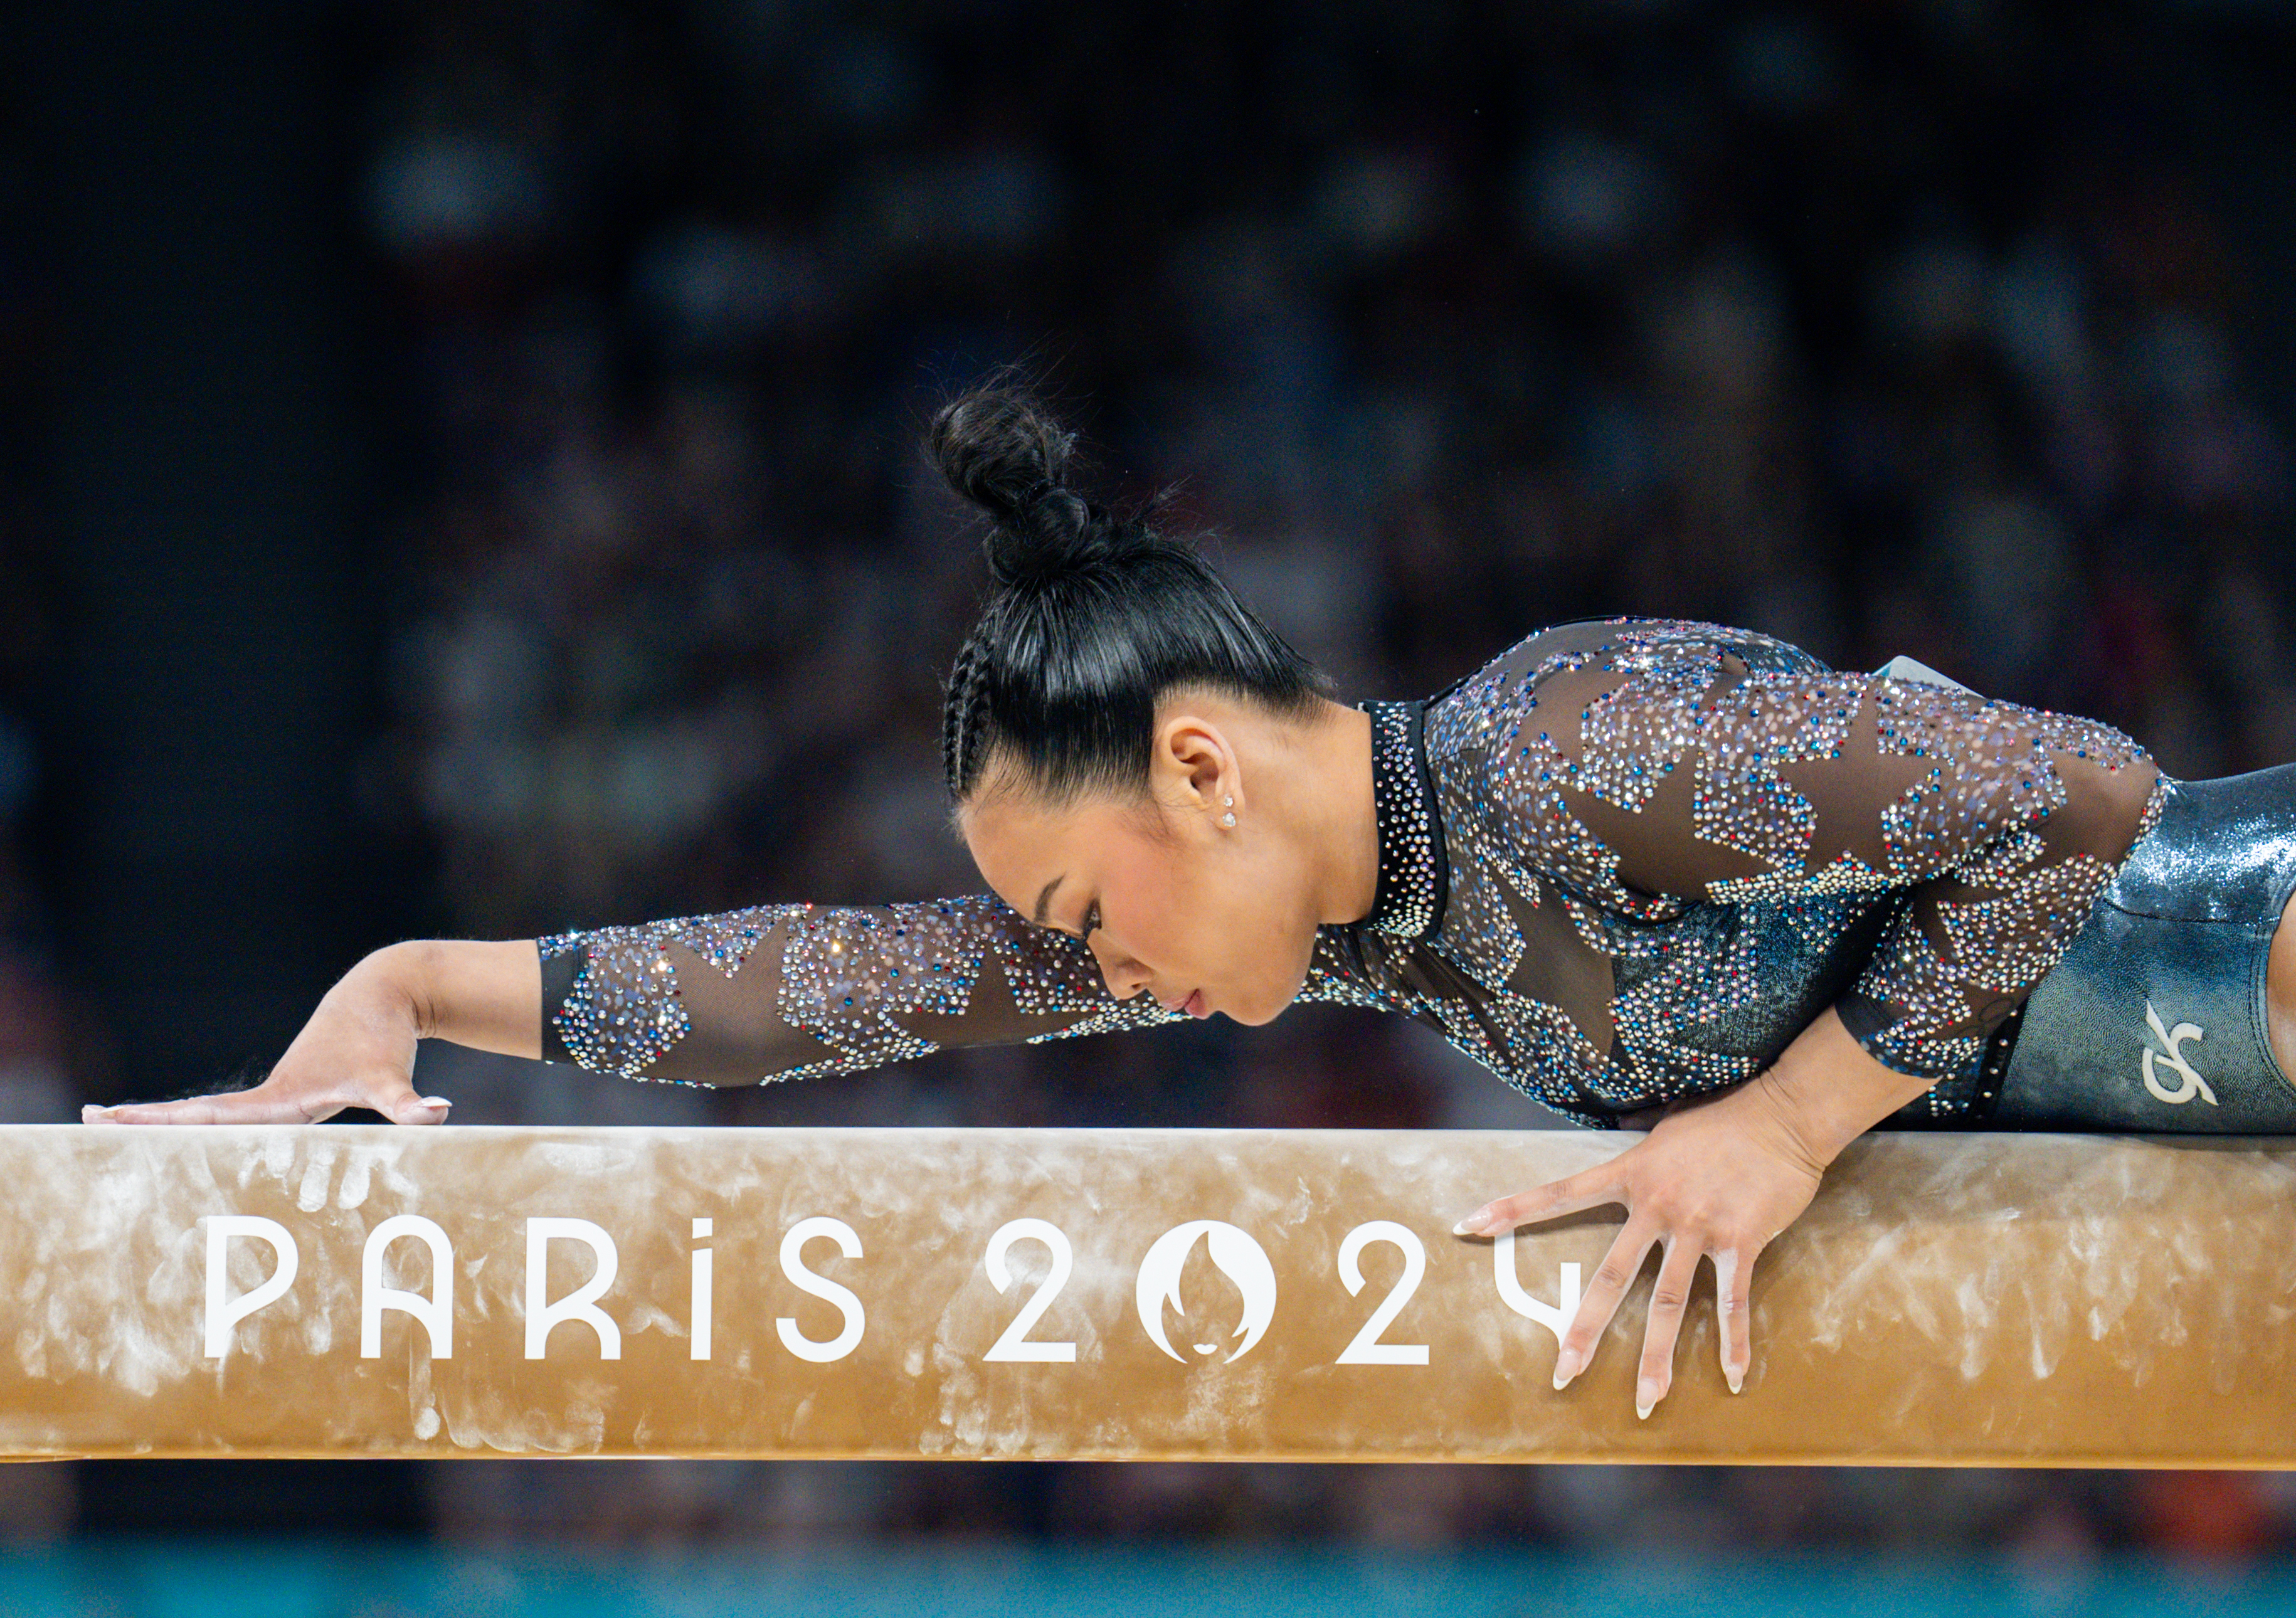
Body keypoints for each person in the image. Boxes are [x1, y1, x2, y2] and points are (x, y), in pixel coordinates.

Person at [84, 389, 2296, 1420]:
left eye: (1084, 899)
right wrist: (402, 987)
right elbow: (840, 986)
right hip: (2126, 1071)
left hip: (2221, 932)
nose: (1086, 958)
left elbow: (2088, 787)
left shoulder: (1567, 751)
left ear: (1200, 765)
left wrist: (1785, 1126)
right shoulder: (1355, 916)